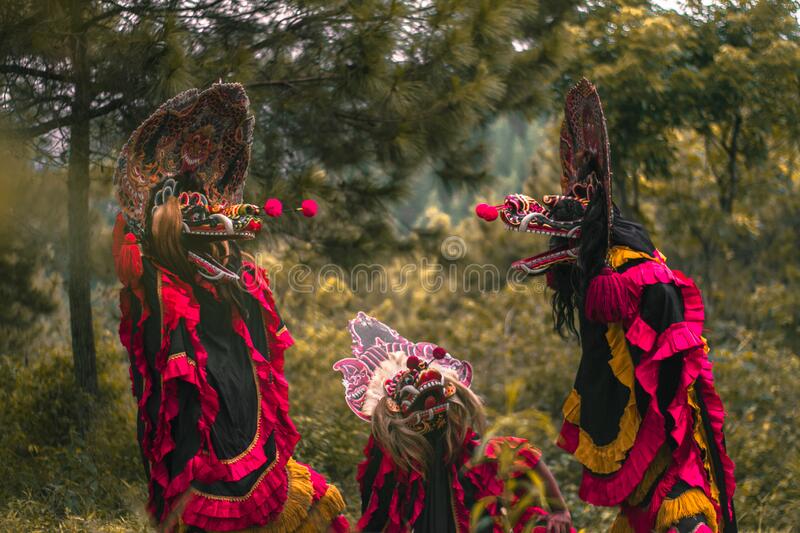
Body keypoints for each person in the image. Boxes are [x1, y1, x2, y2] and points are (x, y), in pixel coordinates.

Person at [475, 78, 737, 532]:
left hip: (670, 453)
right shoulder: (599, 272)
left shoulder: (633, 270)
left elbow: (673, 348)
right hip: (638, 461)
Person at [113, 83, 348, 532]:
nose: (198, 151)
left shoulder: (232, 266)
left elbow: (244, 301)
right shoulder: (157, 285)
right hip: (199, 414)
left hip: (235, 382)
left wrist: (228, 273)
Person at [334, 312, 574, 533]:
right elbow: (377, 518)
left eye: (435, 401)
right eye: (419, 406)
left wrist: (560, 510)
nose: (429, 412)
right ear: (399, 412)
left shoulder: (474, 456)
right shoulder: (397, 468)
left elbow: (526, 456)